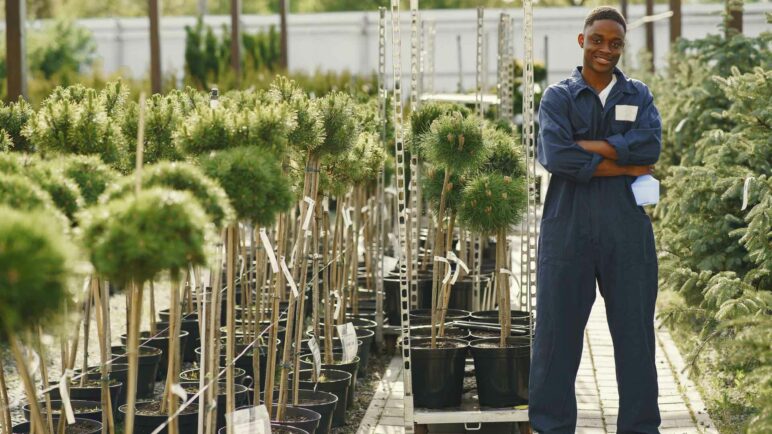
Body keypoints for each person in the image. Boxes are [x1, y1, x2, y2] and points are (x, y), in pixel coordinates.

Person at [528, 6, 662, 434]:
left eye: (616, 42)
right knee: (555, 340)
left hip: (626, 230)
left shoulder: (638, 95)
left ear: (623, 47)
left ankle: (641, 428)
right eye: (599, 39)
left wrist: (592, 146)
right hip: (567, 229)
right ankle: (551, 427)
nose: (607, 49)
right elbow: (557, 156)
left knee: (635, 340)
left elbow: (650, 147)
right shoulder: (558, 97)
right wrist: (624, 164)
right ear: (583, 41)